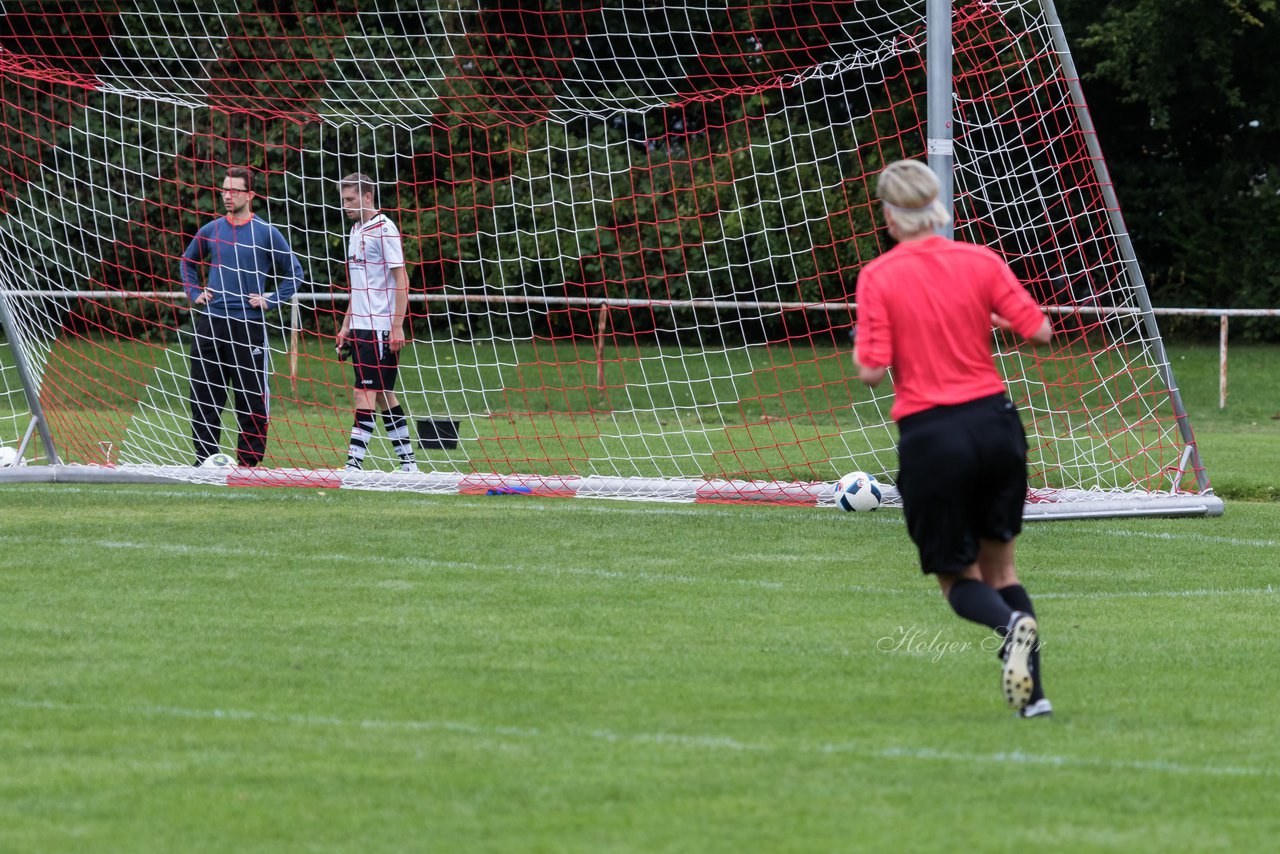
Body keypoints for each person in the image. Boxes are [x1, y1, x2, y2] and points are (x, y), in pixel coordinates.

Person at [853, 159, 1054, 718]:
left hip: (934, 434)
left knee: (956, 579)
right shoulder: (980, 260)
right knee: (1003, 571)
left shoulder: (880, 276)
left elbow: (871, 370)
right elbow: (1039, 330)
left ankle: (1009, 626)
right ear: (937, 207)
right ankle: (1033, 700)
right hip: (996, 425)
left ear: (891, 217)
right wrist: (987, 317)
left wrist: (868, 340)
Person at [181, 165, 304, 467]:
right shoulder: (210, 230)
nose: (227, 195)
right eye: (224, 189)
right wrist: (195, 292)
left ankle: (249, 464)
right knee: (205, 396)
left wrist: (271, 299)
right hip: (211, 323)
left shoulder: (266, 232)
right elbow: (187, 263)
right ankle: (205, 460)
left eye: (234, 190)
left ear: (250, 195)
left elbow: (295, 273)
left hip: (248, 325)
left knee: (250, 399)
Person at [336, 172, 417, 472]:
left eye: (350, 200)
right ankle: (408, 464)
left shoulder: (385, 229)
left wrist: (397, 325)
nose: (345, 206)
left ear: (367, 197)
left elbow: (401, 278)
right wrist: (347, 325)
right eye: (343, 200)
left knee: (364, 392)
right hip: (360, 326)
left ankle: (353, 465)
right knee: (383, 394)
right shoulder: (355, 230)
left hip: (381, 327)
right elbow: (359, 286)